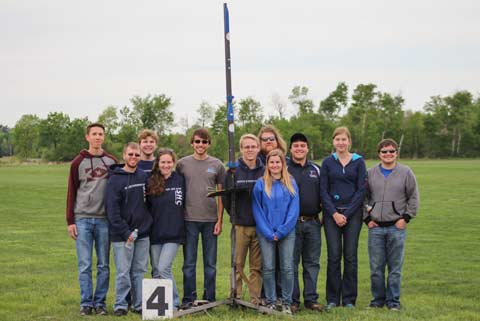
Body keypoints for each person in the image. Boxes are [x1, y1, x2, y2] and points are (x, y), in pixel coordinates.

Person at [66, 122, 117, 316]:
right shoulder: (77, 162)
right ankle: (86, 303)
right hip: (83, 219)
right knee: (85, 264)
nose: (97, 137)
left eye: (100, 134)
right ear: (87, 137)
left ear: (104, 137)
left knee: (103, 264)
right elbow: (71, 191)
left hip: (104, 220)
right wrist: (70, 221)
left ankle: (100, 303)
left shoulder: (111, 161)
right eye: (94, 134)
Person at [364, 139, 419, 311]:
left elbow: (414, 197)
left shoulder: (406, 172)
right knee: (376, 268)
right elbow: (362, 197)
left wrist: (406, 217)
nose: (388, 154)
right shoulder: (370, 173)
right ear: (379, 153)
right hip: (376, 228)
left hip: (397, 227)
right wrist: (367, 219)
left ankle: (393, 301)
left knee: (395, 268)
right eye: (384, 151)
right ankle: (377, 300)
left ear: (397, 153)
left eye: (391, 151)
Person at [176, 128, 226, 308]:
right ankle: (189, 298)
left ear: (209, 144)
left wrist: (219, 220)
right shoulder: (182, 164)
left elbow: (220, 194)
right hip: (188, 219)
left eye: (204, 142)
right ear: (192, 143)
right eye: (197, 141)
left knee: (210, 263)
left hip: (210, 220)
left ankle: (209, 298)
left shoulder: (217, 165)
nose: (200, 145)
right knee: (189, 262)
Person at [320, 127, 367, 309]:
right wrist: (334, 213)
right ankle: (332, 298)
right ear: (333, 142)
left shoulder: (358, 162)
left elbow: (361, 190)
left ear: (349, 141)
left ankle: (348, 299)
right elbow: (323, 190)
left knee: (350, 257)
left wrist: (346, 214)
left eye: (344, 139)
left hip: (352, 216)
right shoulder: (327, 162)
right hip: (332, 215)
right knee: (333, 256)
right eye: (337, 139)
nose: (341, 142)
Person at [105, 142, 153, 316]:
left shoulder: (142, 176)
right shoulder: (115, 179)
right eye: (131, 154)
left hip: (142, 233)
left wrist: (145, 226)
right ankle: (120, 304)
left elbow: (148, 203)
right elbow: (112, 210)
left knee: (139, 271)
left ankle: (138, 304)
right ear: (124, 155)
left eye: (137, 155)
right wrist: (126, 233)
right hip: (122, 235)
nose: (134, 158)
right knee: (123, 272)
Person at [252, 149, 299, 314]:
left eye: (278, 162)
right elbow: (257, 209)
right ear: (267, 164)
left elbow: (294, 210)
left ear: (283, 164)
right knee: (269, 267)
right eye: (271, 162)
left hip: (286, 232)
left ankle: (286, 302)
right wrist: (267, 231)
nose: (275, 165)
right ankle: (271, 301)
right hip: (266, 233)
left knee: (287, 267)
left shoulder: (291, 183)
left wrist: (281, 231)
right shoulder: (260, 184)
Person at [222, 134, 264, 303]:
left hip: (260, 225)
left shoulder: (264, 169)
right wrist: (234, 215)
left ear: (258, 148)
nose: (250, 150)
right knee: (237, 263)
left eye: (253, 147)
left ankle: (255, 297)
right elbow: (226, 196)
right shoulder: (233, 171)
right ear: (241, 149)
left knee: (257, 266)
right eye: (246, 147)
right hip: (240, 225)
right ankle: (236, 295)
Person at [287, 133, 323, 313]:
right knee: (291, 263)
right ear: (291, 149)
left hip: (313, 223)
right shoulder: (284, 168)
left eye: (303, 145)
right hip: (292, 224)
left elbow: (324, 194)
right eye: (296, 145)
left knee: (312, 263)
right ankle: (293, 300)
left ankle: (311, 299)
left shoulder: (316, 169)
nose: (299, 148)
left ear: (307, 148)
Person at [148, 148, 185, 310]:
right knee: (156, 270)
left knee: (164, 268)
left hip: (174, 233)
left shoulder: (180, 180)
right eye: (163, 162)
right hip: (155, 232)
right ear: (158, 163)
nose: (166, 165)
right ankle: (159, 307)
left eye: (169, 162)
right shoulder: (150, 181)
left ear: (173, 163)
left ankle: (175, 303)